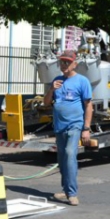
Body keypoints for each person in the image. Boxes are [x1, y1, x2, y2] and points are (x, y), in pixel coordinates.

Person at [42, 49, 92, 206]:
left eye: (67, 62)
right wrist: (52, 89)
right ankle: (65, 190)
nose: (63, 65)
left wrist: (86, 128)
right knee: (62, 158)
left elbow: (88, 105)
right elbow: (46, 103)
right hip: (59, 126)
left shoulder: (82, 81)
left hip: (75, 125)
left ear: (74, 64)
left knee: (70, 154)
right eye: (61, 62)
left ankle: (72, 193)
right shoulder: (57, 81)